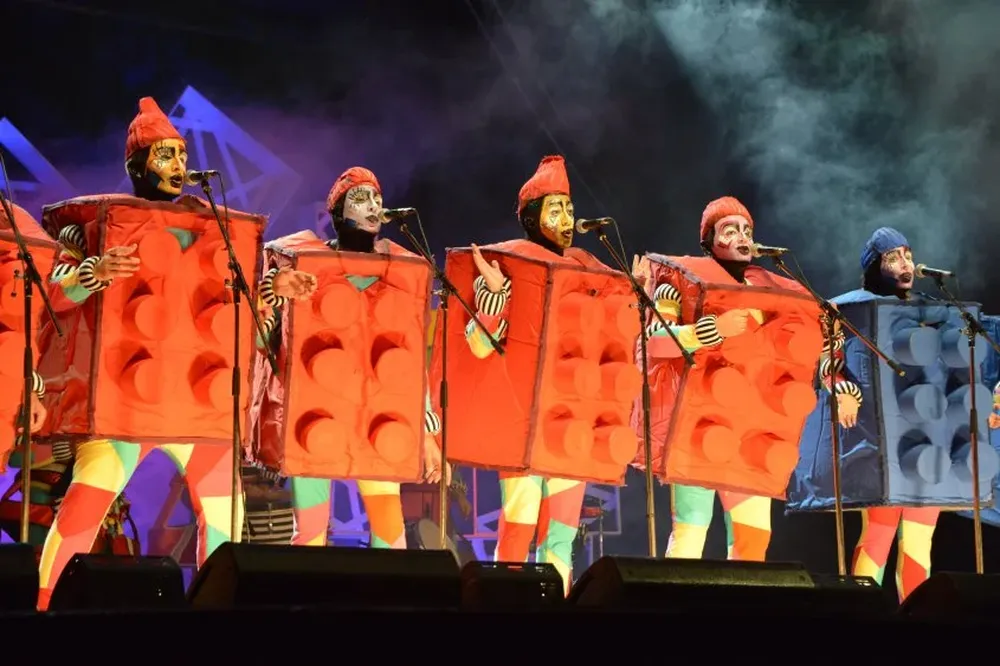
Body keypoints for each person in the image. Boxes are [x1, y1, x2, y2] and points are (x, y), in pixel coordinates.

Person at [34, 97, 253, 609]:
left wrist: (269, 292)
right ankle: (42, 613)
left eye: (181, 154)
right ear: (138, 164)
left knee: (225, 517)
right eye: (165, 155)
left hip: (196, 406)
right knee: (85, 507)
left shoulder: (212, 225)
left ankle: (215, 621)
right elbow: (54, 294)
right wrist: (95, 273)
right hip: (122, 405)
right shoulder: (97, 225)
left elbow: (237, 302)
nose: (178, 166)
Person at [633, 196, 861, 561]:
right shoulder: (677, 280)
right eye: (730, 230)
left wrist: (840, 386)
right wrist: (712, 329)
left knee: (754, 539)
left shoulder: (779, 290)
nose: (742, 236)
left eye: (747, 231)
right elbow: (655, 344)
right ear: (709, 240)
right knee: (692, 530)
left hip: (752, 434)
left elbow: (819, 345)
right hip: (699, 432)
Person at [460, 155, 629, 593]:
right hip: (522, 425)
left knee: (561, 538)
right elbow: (478, 346)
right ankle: (502, 608)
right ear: (532, 218)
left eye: (570, 209)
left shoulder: (592, 272)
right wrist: (494, 299)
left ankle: (560, 616)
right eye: (556, 209)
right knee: (517, 532)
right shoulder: (506, 268)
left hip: (569, 422)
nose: (567, 219)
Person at [255, 166, 446, 548]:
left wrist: (428, 433)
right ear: (339, 211)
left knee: (390, 536)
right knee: (309, 533)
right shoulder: (303, 262)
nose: (374, 205)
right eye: (361, 198)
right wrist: (274, 289)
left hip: (375, 420)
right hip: (316, 420)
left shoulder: (401, 271)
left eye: (377, 197)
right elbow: (262, 335)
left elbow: (409, 364)